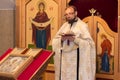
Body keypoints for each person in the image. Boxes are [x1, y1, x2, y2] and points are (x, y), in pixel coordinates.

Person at [52, 5, 96, 80]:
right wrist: (62, 39)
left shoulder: (82, 26)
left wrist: (75, 39)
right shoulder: (64, 26)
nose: (68, 16)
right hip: (65, 62)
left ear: (76, 13)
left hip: (76, 61)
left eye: (70, 13)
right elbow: (55, 41)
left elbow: (89, 44)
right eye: (66, 14)